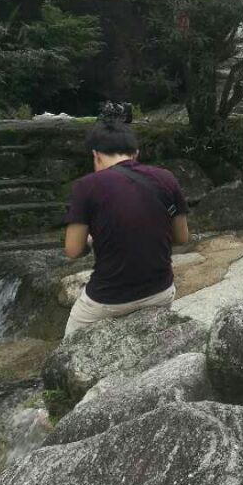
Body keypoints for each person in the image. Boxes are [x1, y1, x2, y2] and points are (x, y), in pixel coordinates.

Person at [62, 103, 190, 336]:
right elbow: (182, 237)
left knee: (69, 345)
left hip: (107, 300)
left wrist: (92, 240)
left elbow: (72, 251)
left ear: (95, 155)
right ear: (136, 154)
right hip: (160, 292)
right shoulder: (166, 178)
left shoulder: (85, 186)